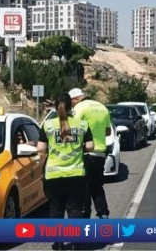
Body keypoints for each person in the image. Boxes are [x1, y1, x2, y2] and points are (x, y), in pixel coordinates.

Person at [38, 93, 94, 251]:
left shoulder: (48, 125)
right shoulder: (82, 124)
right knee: (75, 208)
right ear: (71, 106)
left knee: (56, 209)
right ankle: (76, 242)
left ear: (56, 106)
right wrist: (78, 148)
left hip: (53, 175)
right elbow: (90, 146)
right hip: (76, 173)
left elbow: (41, 149)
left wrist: (53, 148)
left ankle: (58, 243)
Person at [69, 87, 111, 219]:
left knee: (84, 186)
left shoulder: (79, 108)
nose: (72, 105)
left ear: (75, 99)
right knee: (97, 186)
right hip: (100, 153)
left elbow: (73, 129)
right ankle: (103, 213)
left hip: (85, 152)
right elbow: (108, 132)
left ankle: (85, 213)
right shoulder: (102, 107)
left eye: (72, 102)